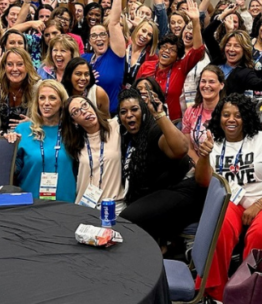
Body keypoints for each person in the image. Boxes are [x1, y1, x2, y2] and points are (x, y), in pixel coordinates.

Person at [193, 93, 262, 302]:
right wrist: (203, 157)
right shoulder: (214, 143)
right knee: (219, 224)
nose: (231, 120)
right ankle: (216, 292)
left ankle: (250, 294)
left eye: (238, 115)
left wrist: (259, 204)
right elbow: (203, 181)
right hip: (232, 202)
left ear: (247, 118)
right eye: (226, 115)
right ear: (219, 118)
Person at [117, 89, 202, 246]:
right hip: (163, 192)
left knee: (127, 219)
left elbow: (181, 149)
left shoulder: (154, 130)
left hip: (183, 190)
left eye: (134, 109)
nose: (129, 115)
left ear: (143, 110)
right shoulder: (127, 137)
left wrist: (159, 115)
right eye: (123, 112)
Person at [136, 0, 205, 120]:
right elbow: (135, 91)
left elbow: (198, 51)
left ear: (178, 56)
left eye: (172, 49)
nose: (166, 51)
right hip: (145, 119)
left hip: (172, 121)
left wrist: (195, 21)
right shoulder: (147, 65)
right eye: (164, 47)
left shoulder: (181, 67)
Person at [13, 80, 76, 202]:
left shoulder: (72, 131)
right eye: (42, 98)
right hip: (30, 204)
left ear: (62, 103)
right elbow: (12, 170)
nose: (46, 103)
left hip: (66, 204)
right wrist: (6, 145)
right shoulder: (22, 130)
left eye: (52, 98)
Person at [61, 96, 125, 211]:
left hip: (114, 205)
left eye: (85, 105)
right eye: (76, 111)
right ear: (74, 121)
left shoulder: (116, 127)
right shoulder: (74, 142)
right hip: (85, 206)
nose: (84, 111)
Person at [83, 0, 132, 115]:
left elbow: (114, 22)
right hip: (86, 116)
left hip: (111, 117)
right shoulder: (84, 59)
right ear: (90, 42)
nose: (99, 38)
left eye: (103, 34)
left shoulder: (116, 55)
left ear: (109, 38)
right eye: (94, 36)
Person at [0, 48, 39, 131]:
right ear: (4, 67)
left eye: (20, 64)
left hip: (28, 137)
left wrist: (33, 123)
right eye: (10, 64)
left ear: (28, 66)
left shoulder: (37, 88)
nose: (14, 69)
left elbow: (47, 119)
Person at [182, 65, 226, 161]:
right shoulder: (190, 111)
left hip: (224, 164)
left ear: (221, 85)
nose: (206, 86)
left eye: (211, 82)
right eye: (203, 81)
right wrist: (201, 168)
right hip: (198, 165)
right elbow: (189, 148)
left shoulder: (228, 111)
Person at [124, 20, 159, 89]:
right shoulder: (122, 46)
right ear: (137, 29)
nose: (144, 35)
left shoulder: (152, 58)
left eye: (149, 35)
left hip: (135, 96)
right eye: (143, 31)